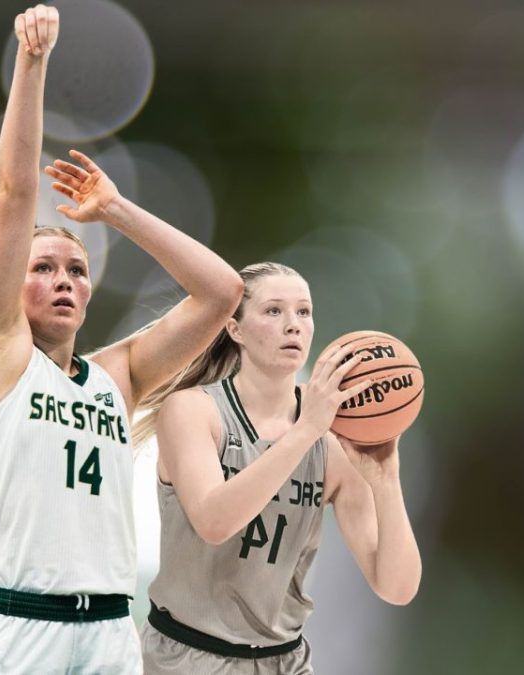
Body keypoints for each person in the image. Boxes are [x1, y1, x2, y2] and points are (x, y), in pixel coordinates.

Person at [0, 4, 244, 673]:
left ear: (89, 291)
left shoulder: (118, 374)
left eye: (75, 270)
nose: (62, 280)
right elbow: (16, 193)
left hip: (109, 628)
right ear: (11, 285)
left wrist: (115, 210)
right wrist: (32, 61)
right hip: (12, 623)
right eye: (42, 267)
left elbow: (223, 293)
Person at [132, 262, 424, 674]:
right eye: (274, 311)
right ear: (235, 329)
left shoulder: (334, 439)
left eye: (303, 312)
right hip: (188, 655)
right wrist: (304, 430)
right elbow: (215, 522)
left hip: (284, 660)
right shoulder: (194, 411)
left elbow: (397, 587)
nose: (294, 325)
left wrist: (386, 479)